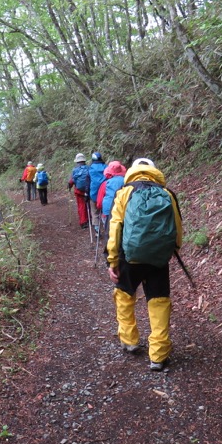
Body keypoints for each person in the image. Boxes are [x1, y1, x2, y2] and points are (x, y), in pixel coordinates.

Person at [106, 158, 182, 371]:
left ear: (131, 172)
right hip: (159, 258)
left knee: (124, 297)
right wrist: (173, 249)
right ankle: (158, 355)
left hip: (128, 257)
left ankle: (130, 341)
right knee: (158, 301)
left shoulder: (124, 193)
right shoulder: (167, 194)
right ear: (154, 171)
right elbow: (177, 227)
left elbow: (115, 229)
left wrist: (112, 260)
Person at [97, 160, 127, 247]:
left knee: (109, 231)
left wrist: (100, 208)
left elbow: (99, 201)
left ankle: (110, 251)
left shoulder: (105, 183)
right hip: (123, 210)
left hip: (108, 210)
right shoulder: (127, 181)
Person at [67, 153, 90, 228]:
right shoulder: (88, 168)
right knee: (88, 205)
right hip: (88, 191)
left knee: (81, 206)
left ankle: (83, 222)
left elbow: (71, 181)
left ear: (77, 161)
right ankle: (89, 219)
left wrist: (69, 186)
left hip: (79, 191)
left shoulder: (75, 170)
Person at [88, 152, 107, 233]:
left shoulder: (91, 168)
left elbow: (87, 181)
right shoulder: (106, 167)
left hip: (94, 194)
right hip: (105, 194)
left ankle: (97, 230)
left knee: (94, 211)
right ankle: (106, 226)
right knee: (104, 211)